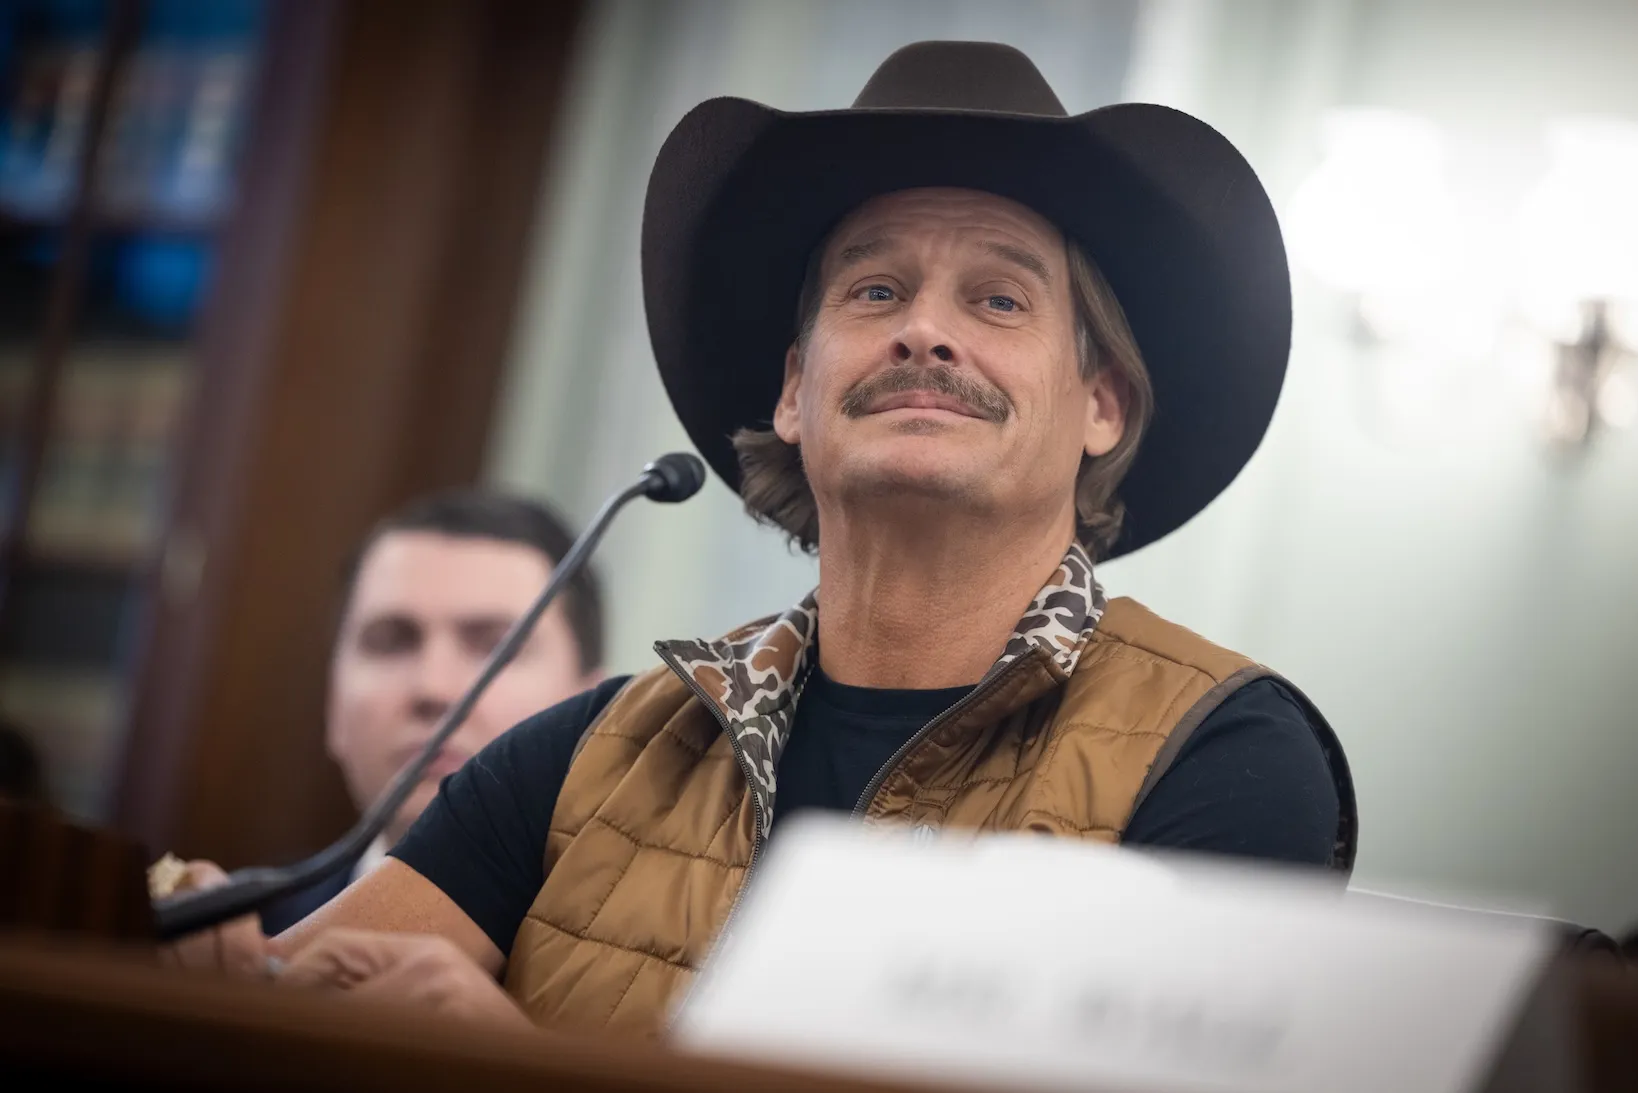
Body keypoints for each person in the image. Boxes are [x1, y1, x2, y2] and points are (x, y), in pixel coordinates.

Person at [177, 41, 1357, 1035]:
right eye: (874, 292)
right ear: (795, 392)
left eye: (998, 300)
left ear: (1104, 405)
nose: (925, 334)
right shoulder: (588, 754)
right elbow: (267, 1013)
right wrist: (196, 943)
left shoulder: (1222, 757)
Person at [256, 490, 605, 934]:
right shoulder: (221, 944)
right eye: (389, 642)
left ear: (594, 712)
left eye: (495, 646)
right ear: (333, 703)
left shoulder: (672, 979)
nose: (433, 689)